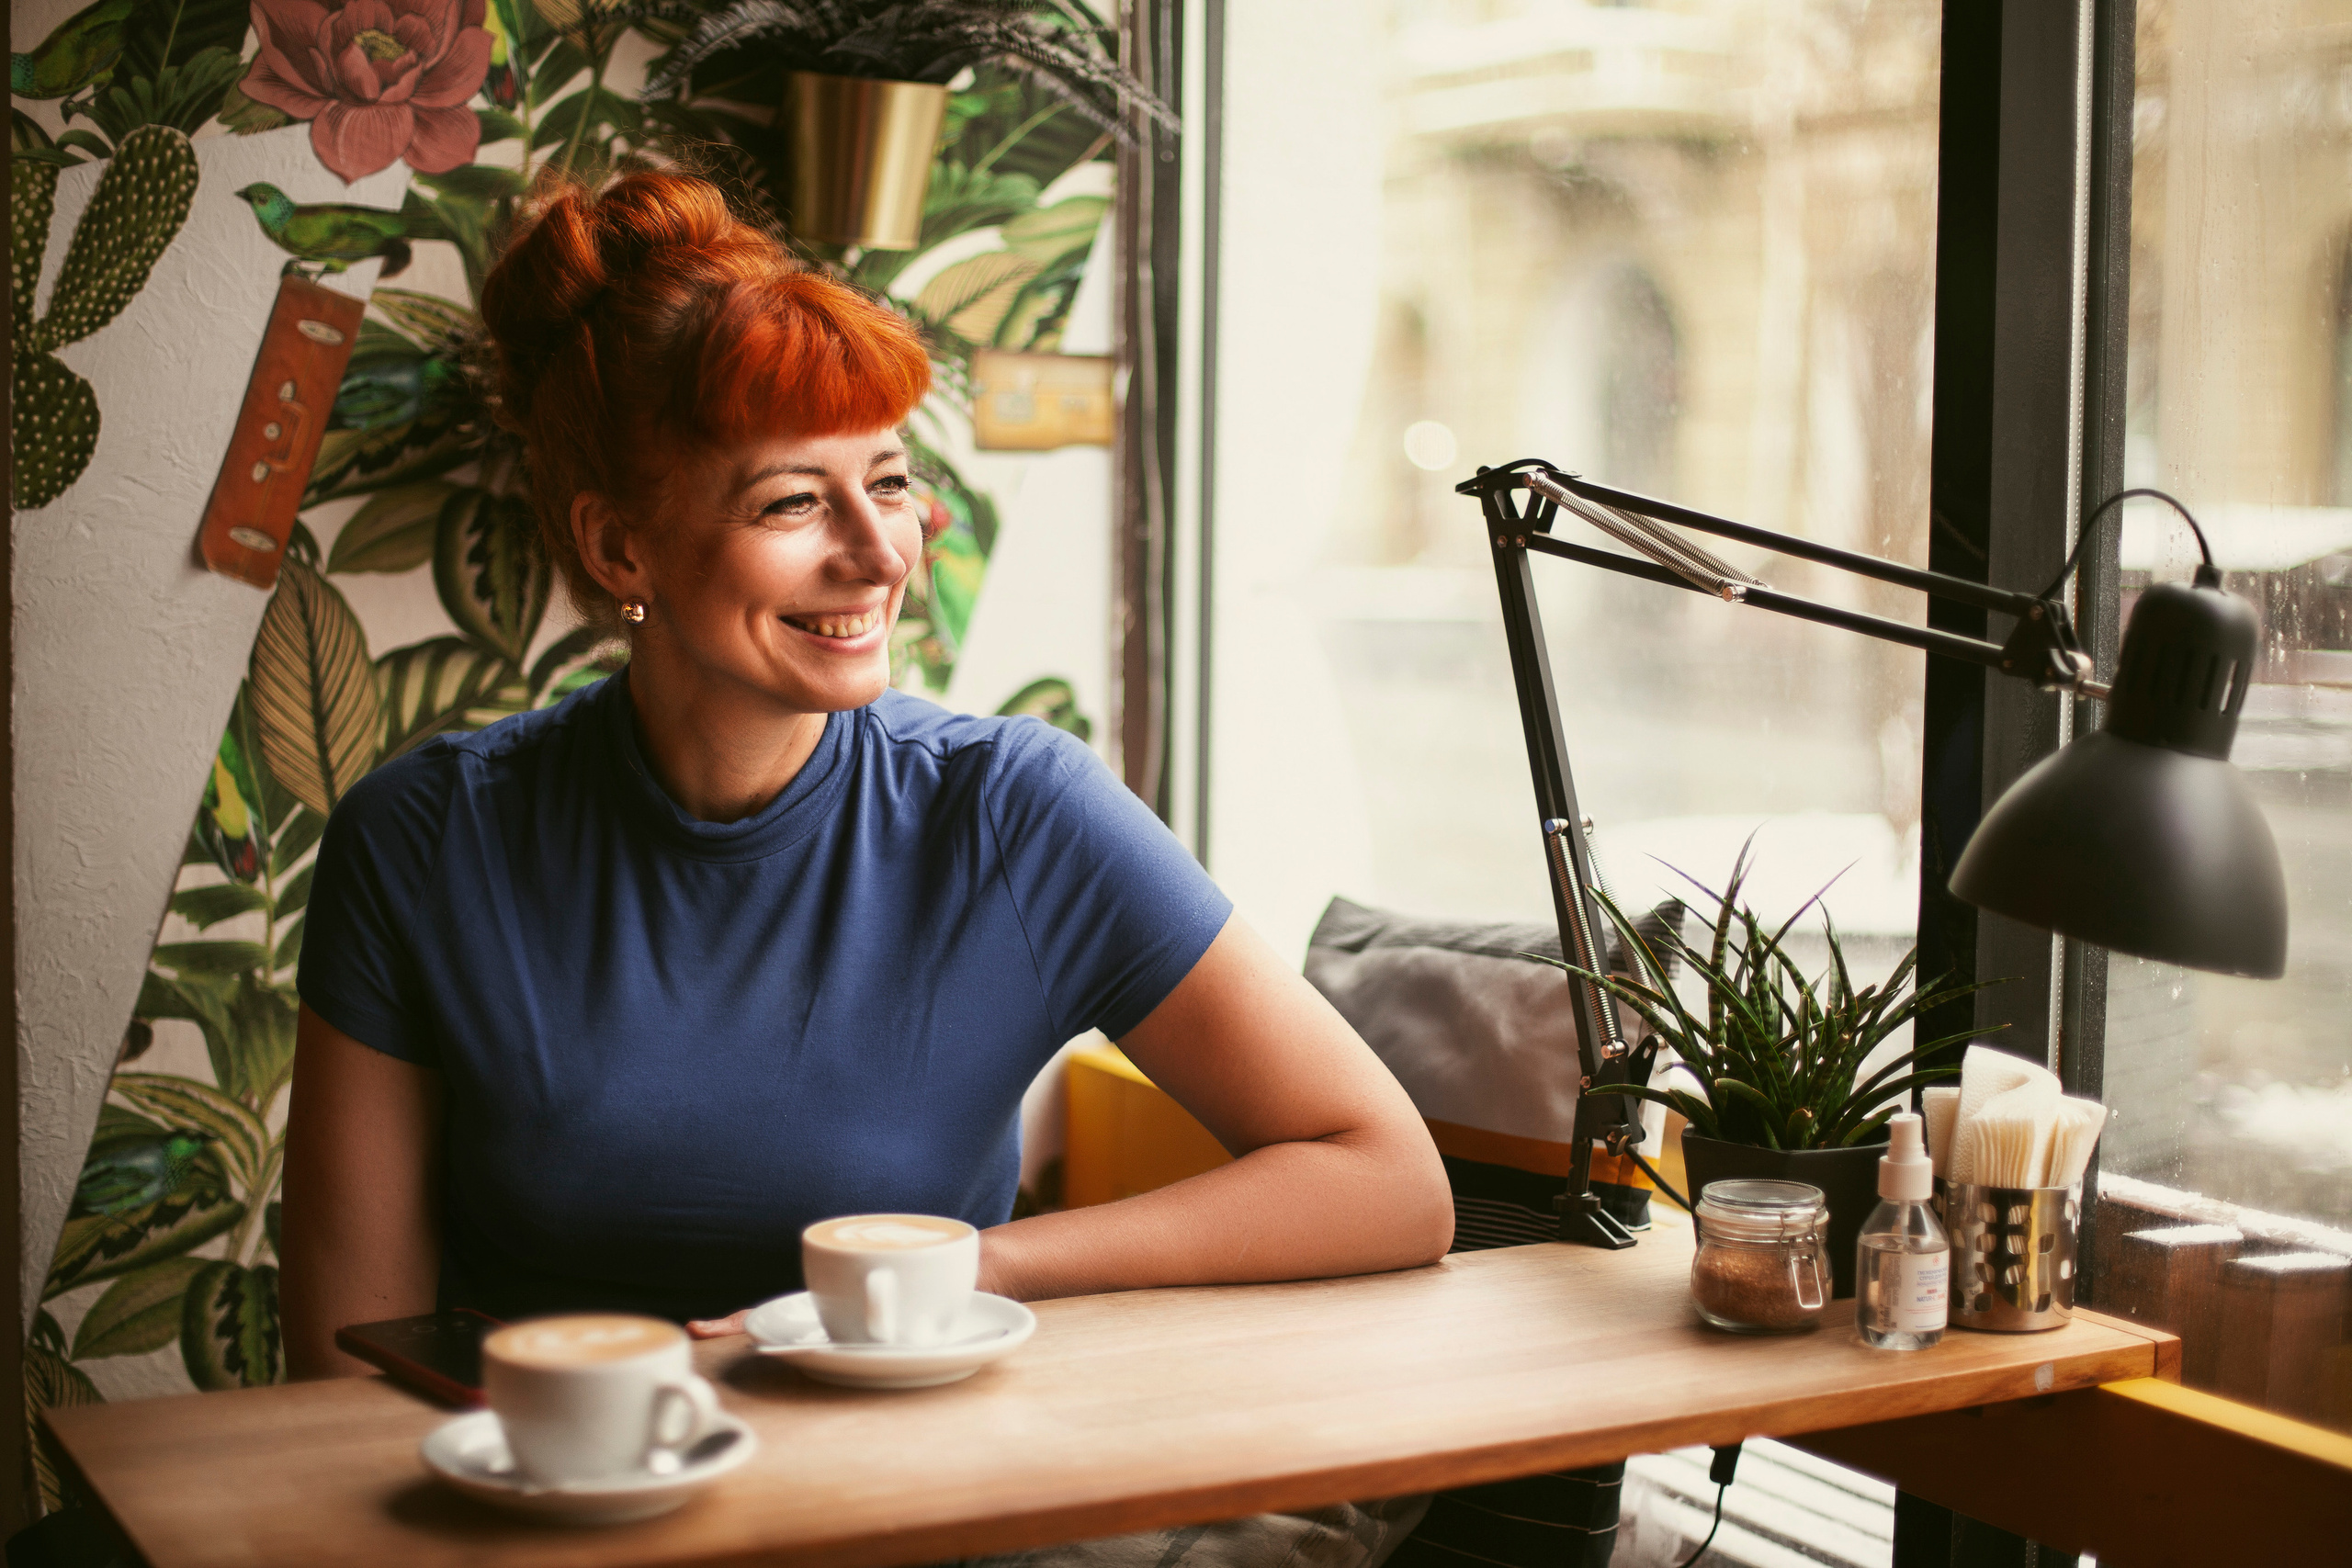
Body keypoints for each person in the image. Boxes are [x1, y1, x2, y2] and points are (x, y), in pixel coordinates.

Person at [277, 170, 1453, 1379]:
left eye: (888, 480)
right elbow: (341, 1362)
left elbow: (1385, 1178)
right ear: (620, 542)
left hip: (906, 1514)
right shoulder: (426, 840)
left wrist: (980, 1266)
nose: (881, 549)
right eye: (795, 499)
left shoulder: (1013, 812)